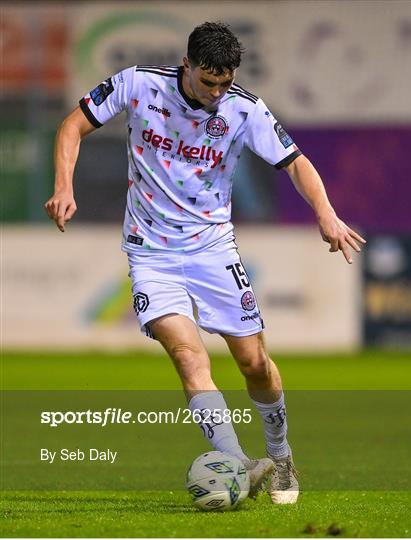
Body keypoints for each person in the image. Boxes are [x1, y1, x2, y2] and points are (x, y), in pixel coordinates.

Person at [45, 21, 366, 505]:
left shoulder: (244, 109)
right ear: (187, 66)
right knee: (188, 357)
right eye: (207, 81)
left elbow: (296, 161)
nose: (217, 91)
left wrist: (327, 215)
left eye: (225, 81)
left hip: (213, 250)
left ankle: (280, 456)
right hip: (150, 252)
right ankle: (238, 465)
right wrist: (64, 186)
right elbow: (73, 124)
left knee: (253, 363)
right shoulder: (138, 84)